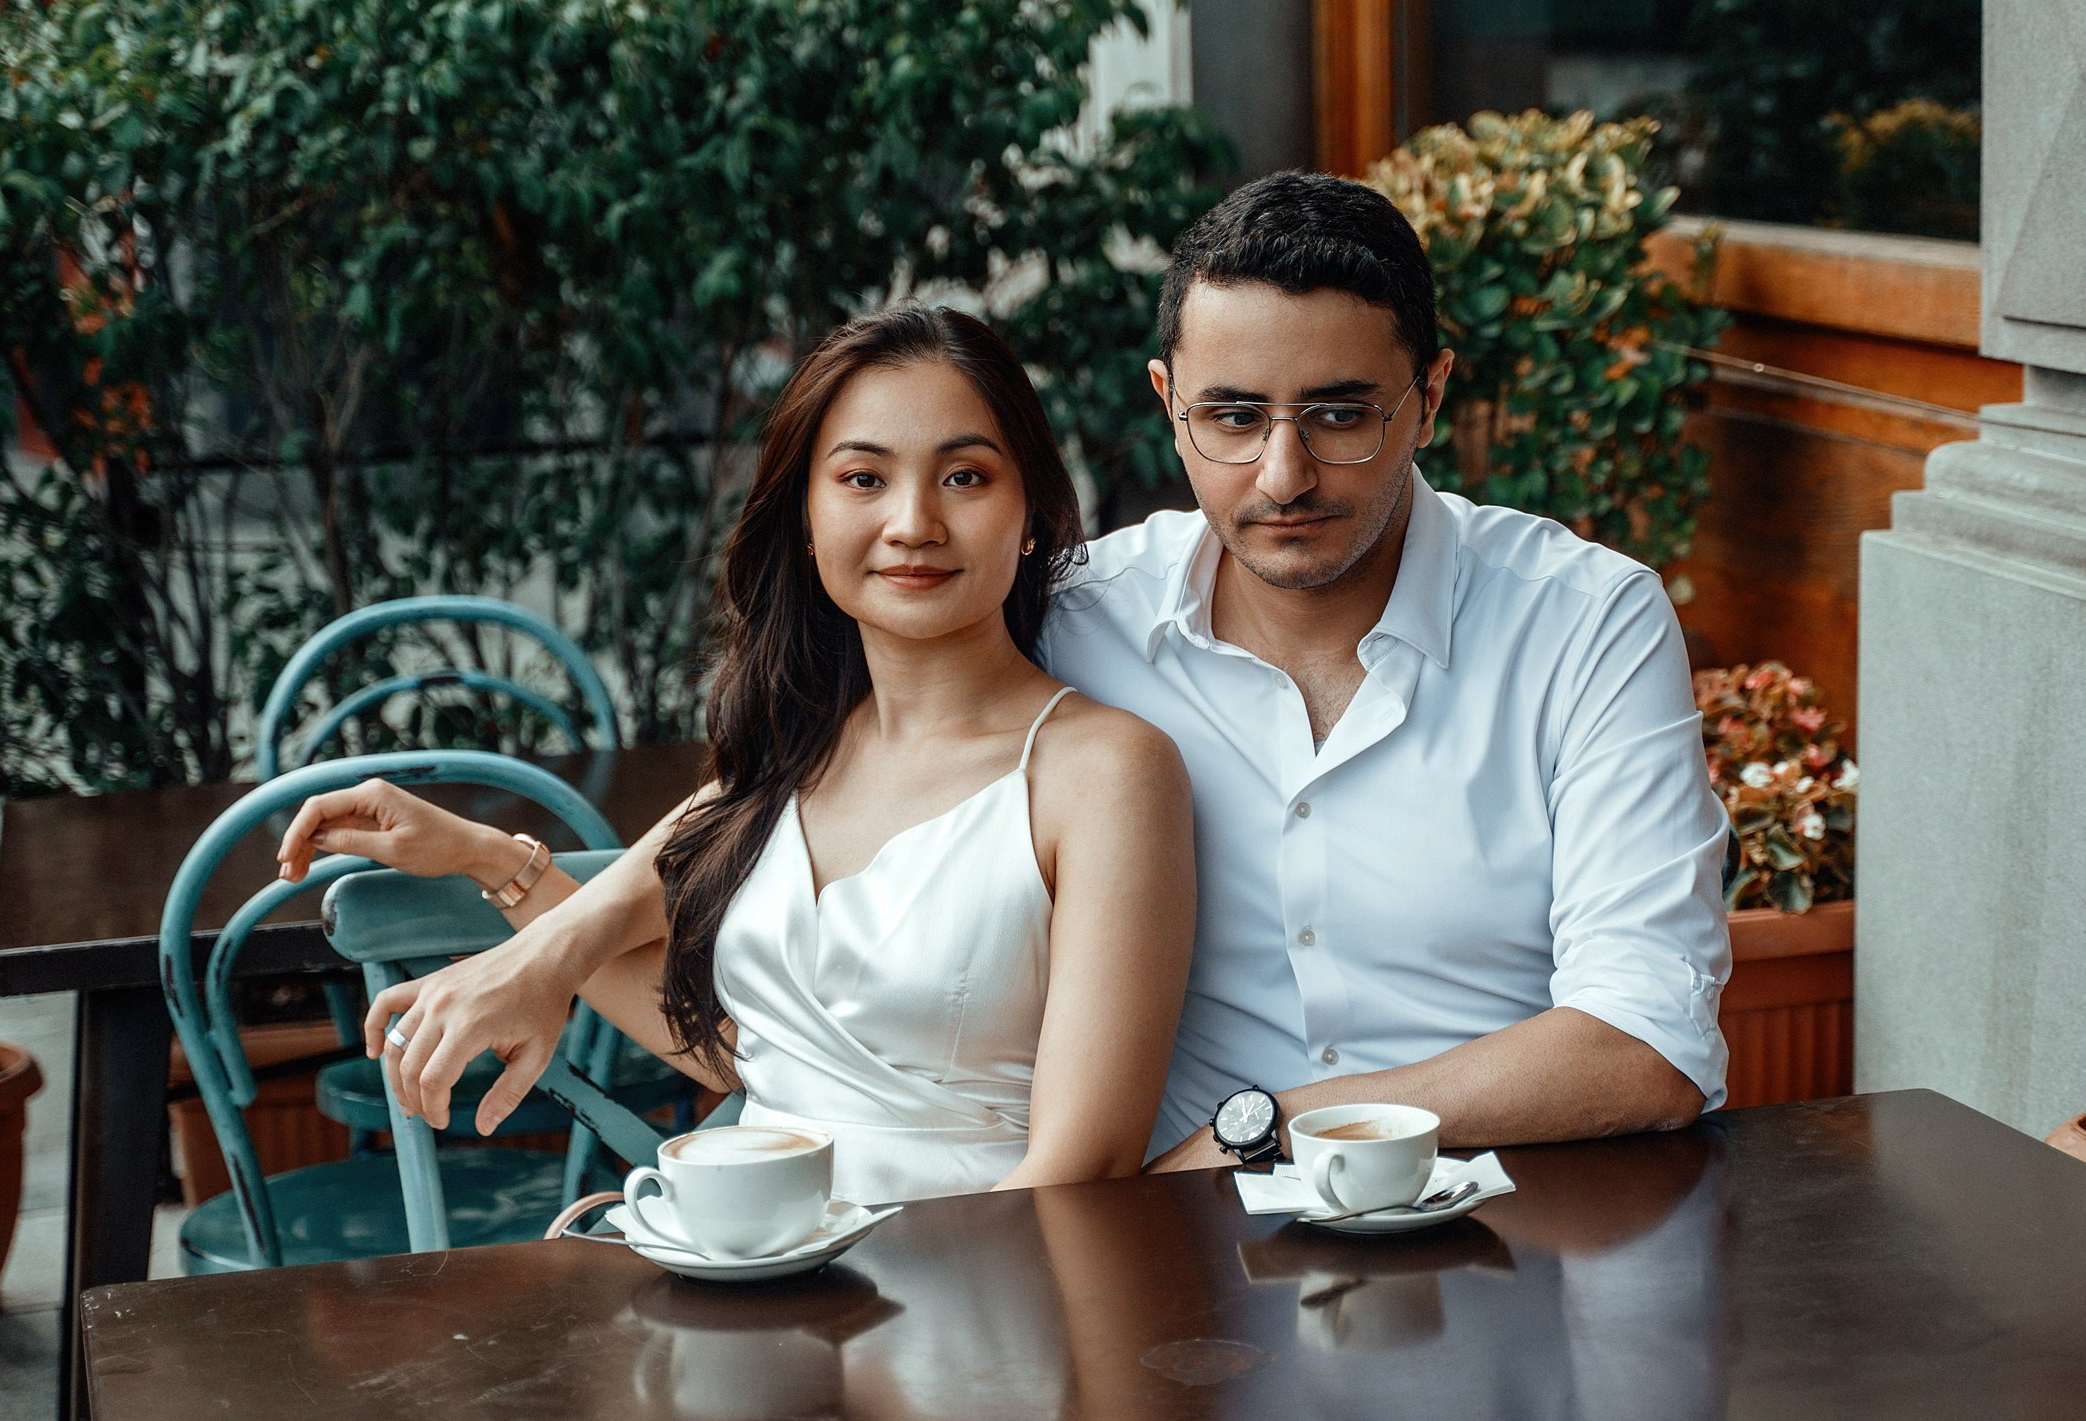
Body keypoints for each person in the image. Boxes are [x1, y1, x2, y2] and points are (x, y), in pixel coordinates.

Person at [272, 305, 1196, 1205]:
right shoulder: (798, 753)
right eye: (863, 479)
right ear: (804, 516)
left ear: (1030, 510)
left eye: (965, 478)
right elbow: (749, 1055)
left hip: (972, 1307)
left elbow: (1087, 1164)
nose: (913, 522)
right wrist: (488, 858)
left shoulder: (1105, 773)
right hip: (752, 1275)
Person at [1037, 170, 1732, 1170]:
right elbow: (828, 768)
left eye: (1338, 415)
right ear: (1167, 402)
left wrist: (1272, 1127)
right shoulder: (1076, 621)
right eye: (1231, 418)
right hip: (1188, 1262)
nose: (1283, 475)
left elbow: (1646, 1043)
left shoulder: (1584, 622)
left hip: (1512, 1230)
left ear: (1429, 397)